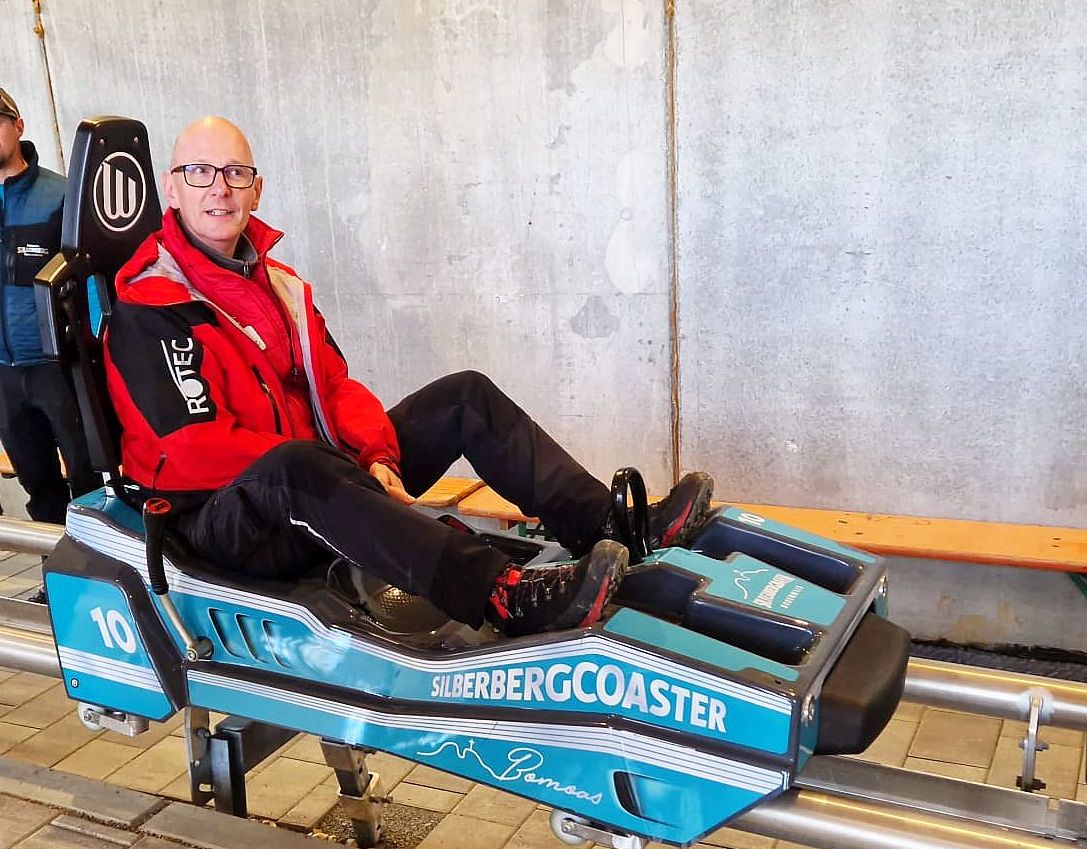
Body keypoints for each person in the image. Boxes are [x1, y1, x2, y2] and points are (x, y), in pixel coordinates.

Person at [104, 116, 712, 637]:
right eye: (200, 173)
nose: (220, 188)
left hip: (319, 486)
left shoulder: (279, 286)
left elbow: (334, 387)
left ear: (256, 189)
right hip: (220, 522)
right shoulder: (151, 306)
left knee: (463, 397)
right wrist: (340, 475)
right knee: (295, 466)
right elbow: (188, 451)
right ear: (172, 190)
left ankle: (613, 529)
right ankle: (502, 594)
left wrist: (376, 456)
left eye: (236, 173)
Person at [0, 87, 102, 523]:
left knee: (88, 476)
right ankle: (56, 583)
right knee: (37, 481)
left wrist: (95, 349)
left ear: (18, 125)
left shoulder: (62, 196)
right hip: (4, 376)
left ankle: (98, 573)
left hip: (59, 368)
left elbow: (93, 281)